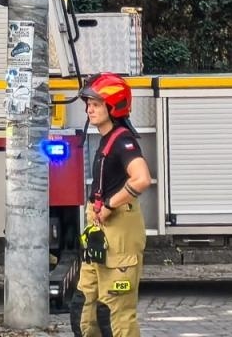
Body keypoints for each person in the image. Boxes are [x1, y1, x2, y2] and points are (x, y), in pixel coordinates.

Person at [75, 72, 153, 337]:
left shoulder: (123, 141)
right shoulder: (107, 139)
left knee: (115, 314)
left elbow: (141, 179)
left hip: (119, 234)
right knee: (84, 310)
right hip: (100, 235)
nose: (89, 109)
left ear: (114, 106)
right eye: (88, 104)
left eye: (96, 104)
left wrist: (109, 205)